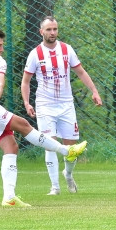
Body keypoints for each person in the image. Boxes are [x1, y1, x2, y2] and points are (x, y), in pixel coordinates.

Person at [0, 27, 88, 207]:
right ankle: (66, 151)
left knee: (11, 146)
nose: (2, 49)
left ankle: (9, 197)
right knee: (22, 124)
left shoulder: (0, 62)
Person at [20, 16, 103, 195]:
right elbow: (25, 81)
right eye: (49, 29)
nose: (52, 33)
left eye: (55, 29)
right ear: (41, 31)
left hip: (66, 104)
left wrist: (94, 91)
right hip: (45, 104)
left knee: (71, 148)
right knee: (50, 144)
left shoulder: (66, 49)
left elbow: (80, 71)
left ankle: (68, 174)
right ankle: (55, 187)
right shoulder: (35, 54)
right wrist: (27, 102)